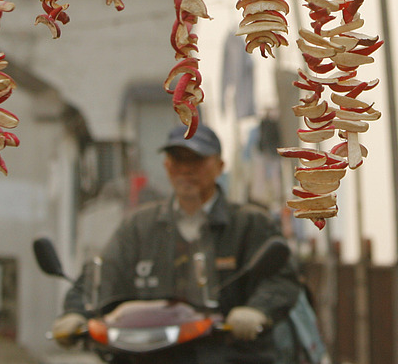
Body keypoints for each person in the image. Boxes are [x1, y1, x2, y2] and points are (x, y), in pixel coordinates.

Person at [50, 123, 304, 363]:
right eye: (178, 160)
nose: (186, 169)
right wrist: (76, 314)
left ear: (219, 166)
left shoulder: (250, 223)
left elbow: (280, 278)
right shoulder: (139, 226)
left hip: (229, 354)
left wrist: (257, 311)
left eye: (196, 159)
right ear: (166, 166)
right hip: (146, 356)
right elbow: (101, 276)